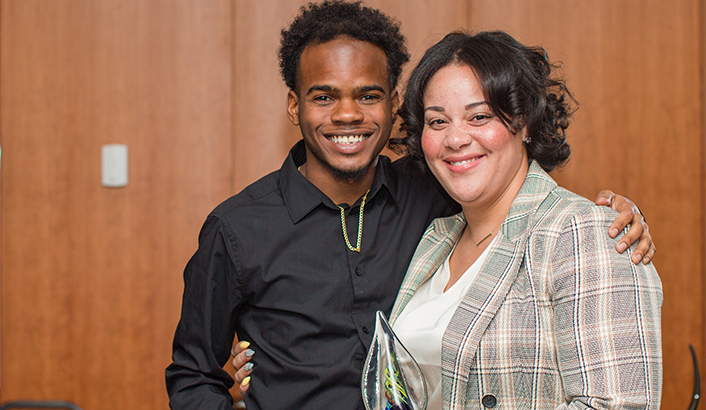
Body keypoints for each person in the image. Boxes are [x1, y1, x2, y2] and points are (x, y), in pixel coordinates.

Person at [167, 2, 655, 409]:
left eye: (368, 95)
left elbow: (519, 194)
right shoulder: (237, 228)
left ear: (394, 104)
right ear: (294, 106)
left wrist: (615, 219)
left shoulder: (434, 198)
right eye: (323, 97)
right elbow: (193, 376)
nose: (347, 114)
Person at [388, 31, 663, 409]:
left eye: (479, 116)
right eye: (437, 122)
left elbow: (619, 404)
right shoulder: (437, 238)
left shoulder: (581, 233)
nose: (455, 138)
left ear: (525, 122)